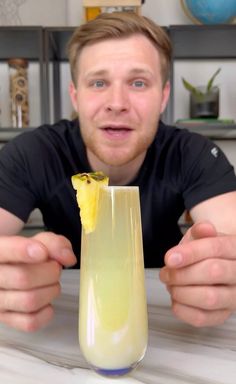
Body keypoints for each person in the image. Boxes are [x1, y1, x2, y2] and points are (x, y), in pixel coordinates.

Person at [0, 12, 236, 332]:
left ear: (163, 96)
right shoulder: (33, 152)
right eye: (98, 82)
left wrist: (223, 275)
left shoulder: (191, 153)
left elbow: (230, 234)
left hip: (163, 319)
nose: (117, 103)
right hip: (66, 321)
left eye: (138, 83)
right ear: (75, 95)